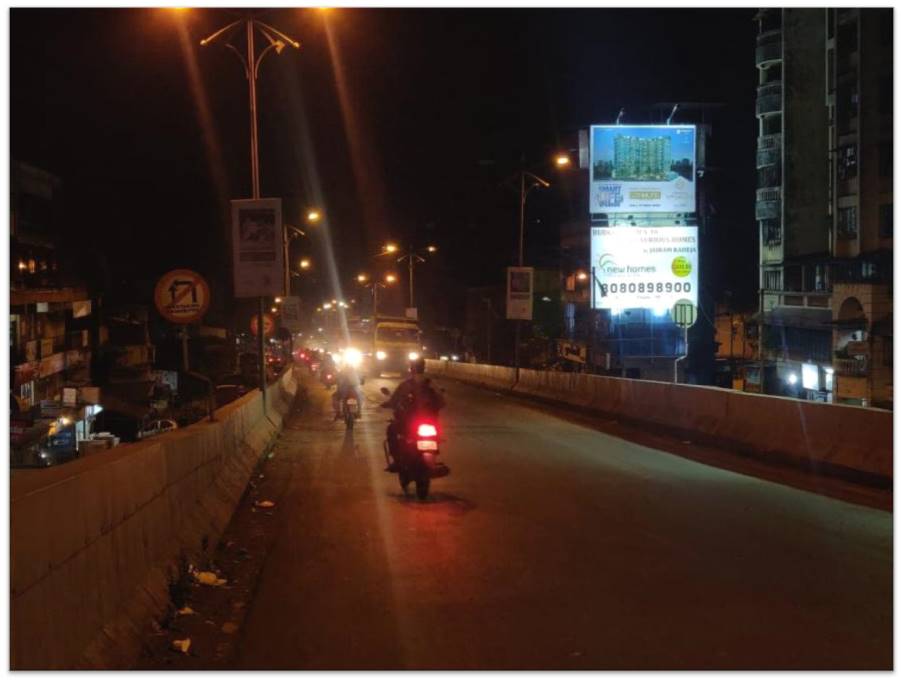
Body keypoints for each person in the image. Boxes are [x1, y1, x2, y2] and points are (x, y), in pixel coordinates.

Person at [381, 358, 444, 471]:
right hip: (430, 422)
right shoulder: (431, 384)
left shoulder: (406, 384)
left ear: (412, 369)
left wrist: (388, 404)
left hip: (411, 423)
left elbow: (394, 400)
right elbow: (442, 402)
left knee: (391, 429)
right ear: (423, 368)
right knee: (436, 435)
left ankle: (396, 460)